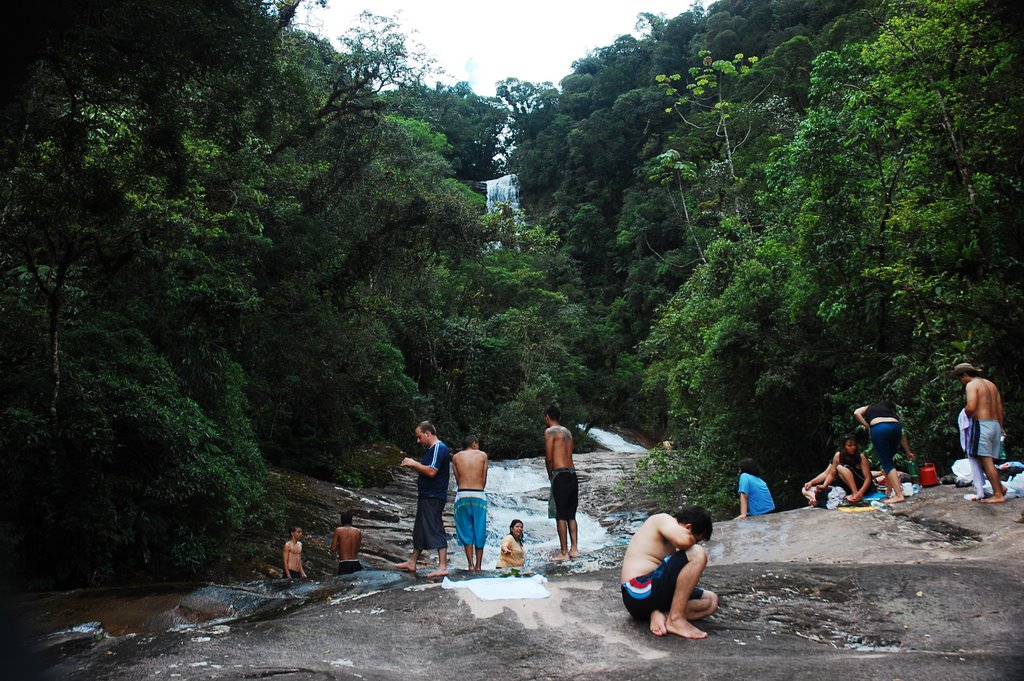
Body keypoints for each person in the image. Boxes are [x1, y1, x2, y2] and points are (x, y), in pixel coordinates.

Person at [620, 506, 719, 639]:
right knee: (697, 553)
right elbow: (685, 540)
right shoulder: (662, 519)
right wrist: (692, 544)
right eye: (696, 539)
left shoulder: (671, 541)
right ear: (688, 528)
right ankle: (676, 619)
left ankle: (660, 615)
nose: (694, 543)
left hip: (652, 596)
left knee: (710, 600)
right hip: (637, 591)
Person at [394, 421, 451, 578]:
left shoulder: (439, 448)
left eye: (419, 437)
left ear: (427, 434)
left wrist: (414, 463)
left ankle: (443, 566)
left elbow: (432, 471)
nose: (418, 441)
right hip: (426, 496)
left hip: (434, 496)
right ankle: (412, 561)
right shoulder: (431, 450)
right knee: (419, 530)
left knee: (435, 527)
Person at [954, 363, 1007, 504]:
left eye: (960, 379)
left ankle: (997, 495)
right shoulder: (991, 384)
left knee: (985, 460)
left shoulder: (971, 385)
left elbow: (971, 408)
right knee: (985, 460)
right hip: (995, 425)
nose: (962, 382)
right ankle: (1000, 488)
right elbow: (999, 407)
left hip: (982, 425)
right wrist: (1001, 426)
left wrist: (963, 413)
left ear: (964, 375)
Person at [854, 399, 916, 504]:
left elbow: (856, 413)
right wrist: (908, 452)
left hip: (879, 428)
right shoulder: (891, 414)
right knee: (888, 462)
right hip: (896, 428)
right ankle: (889, 492)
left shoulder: (870, 406)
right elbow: (902, 436)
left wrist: (868, 426)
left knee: (887, 463)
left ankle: (898, 495)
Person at [544, 405, 578, 560]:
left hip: (560, 474)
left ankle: (563, 552)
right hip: (572, 474)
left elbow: (549, 457)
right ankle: (574, 549)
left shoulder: (550, 432)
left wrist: (550, 475)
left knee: (560, 515)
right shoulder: (568, 432)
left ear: (547, 417)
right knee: (571, 514)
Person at [452, 434, 489, 571]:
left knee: (466, 530)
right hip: (478, 494)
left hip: (462, 495)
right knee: (479, 530)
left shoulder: (456, 457)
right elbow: (484, 479)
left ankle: (470, 565)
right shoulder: (483, 455)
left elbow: (457, 479)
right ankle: (479, 566)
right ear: (474, 444)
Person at [802, 434, 873, 505]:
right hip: (844, 488)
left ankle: (854, 494)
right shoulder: (838, 456)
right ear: (844, 446)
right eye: (849, 446)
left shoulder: (860, 456)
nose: (853, 448)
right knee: (805, 489)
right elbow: (831, 474)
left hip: (860, 487)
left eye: (854, 445)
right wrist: (824, 486)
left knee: (840, 467)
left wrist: (860, 493)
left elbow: (868, 478)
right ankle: (816, 499)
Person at [330, 511, 363, 575]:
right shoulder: (357, 531)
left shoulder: (338, 530)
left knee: (344, 583)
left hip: (345, 563)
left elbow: (333, 548)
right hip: (356, 562)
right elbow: (358, 547)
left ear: (341, 520)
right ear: (351, 520)